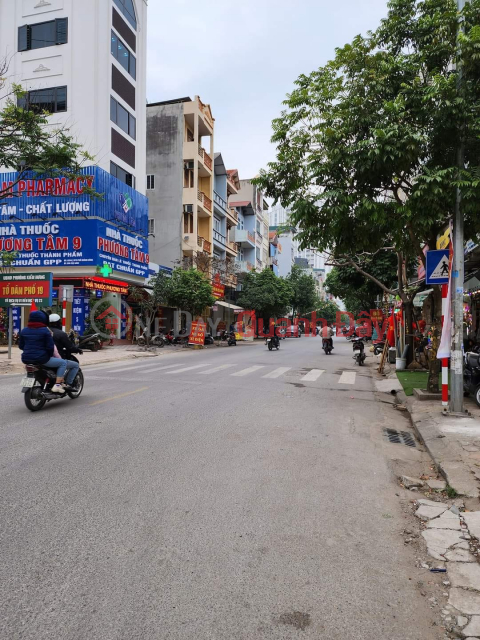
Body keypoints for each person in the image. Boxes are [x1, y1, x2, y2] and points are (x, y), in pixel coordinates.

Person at [19, 310, 69, 393]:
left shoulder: (24, 330)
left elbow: (21, 346)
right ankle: (57, 385)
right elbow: (50, 347)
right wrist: (48, 356)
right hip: (41, 359)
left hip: (26, 359)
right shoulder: (45, 331)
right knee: (63, 363)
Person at [48, 314, 81, 389]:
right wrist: (77, 349)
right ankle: (68, 384)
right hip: (51, 358)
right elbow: (69, 346)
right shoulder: (60, 334)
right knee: (74, 365)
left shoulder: (44, 332)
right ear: (58, 322)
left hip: (38, 358)